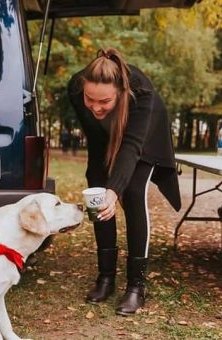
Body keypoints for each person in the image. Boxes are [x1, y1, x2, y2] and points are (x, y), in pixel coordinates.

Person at [67, 48, 181, 316]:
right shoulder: (75, 88)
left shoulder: (141, 93)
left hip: (144, 141)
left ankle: (136, 286)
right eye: (90, 99)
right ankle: (105, 277)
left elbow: (131, 145)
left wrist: (114, 189)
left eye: (104, 101)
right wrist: (102, 185)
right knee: (96, 192)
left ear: (119, 93)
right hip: (104, 141)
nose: (95, 106)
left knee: (131, 191)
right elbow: (95, 135)